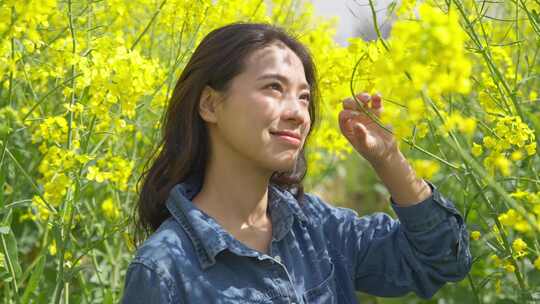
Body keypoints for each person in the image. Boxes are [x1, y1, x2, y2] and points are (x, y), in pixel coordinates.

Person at [120, 22, 471, 303]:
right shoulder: (164, 270)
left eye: (303, 97)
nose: (297, 114)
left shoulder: (319, 228)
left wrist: (388, 158)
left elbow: (442, 260)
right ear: (210, 104)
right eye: (274, 87)